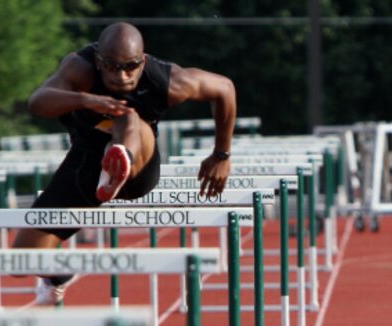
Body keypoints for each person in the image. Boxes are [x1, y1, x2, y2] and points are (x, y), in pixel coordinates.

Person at [15, 22, 237, 304]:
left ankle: (119, 161)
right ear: (98, 62)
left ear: (142, 61)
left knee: (128, 116)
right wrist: (85, 100)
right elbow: (38, 101)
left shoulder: (167, 80)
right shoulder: (79, 69)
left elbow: (225, 89)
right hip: (86, 163)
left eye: (131, 66)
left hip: (138, 168)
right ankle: (59, 274)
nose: (122, 76)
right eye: (112, 66)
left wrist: (221, 155)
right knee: (20, 259)